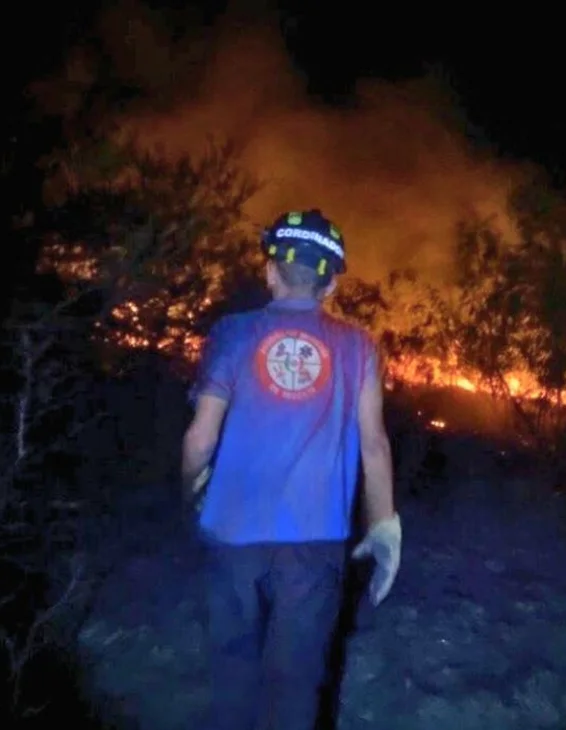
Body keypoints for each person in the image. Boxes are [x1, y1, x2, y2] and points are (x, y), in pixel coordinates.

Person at [181, 209, 401, 730]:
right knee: (296, 685)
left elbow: (200, 438)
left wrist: (188, 491)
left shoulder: (233, 334)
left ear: (269, 272)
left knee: (231, 670)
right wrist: (384, 524)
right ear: (331, 284)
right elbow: (373, 443)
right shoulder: (357, 346)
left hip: (230, 530)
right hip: (314, 540)